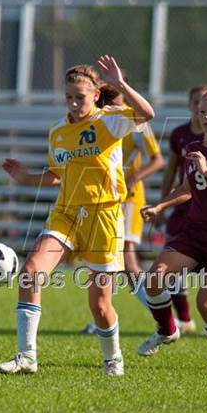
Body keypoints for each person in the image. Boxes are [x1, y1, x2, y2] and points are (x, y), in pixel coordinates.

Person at [0, 55, 155, 376]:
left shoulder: (110, 120)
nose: (73, 103)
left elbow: (148, 114)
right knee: (30, 272)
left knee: (99, 306)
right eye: (68, 97)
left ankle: (113, 359)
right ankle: (27, 357)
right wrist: (26, 177)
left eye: (79, 97)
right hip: (66, 213)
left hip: (104, 217)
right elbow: (57, 175)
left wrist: (120, 83)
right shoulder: (57, 132)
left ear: (95, 95)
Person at [139, 88, 207, 372]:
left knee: (206, 302)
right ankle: (167, 330)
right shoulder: (193, 147)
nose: (206, 117)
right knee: (154, 279)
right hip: (196, 233)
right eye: (202, 112)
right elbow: (187, 188)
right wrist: (160, 206)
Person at [81, 81, 164, 334]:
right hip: (106, 197)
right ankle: (103, 316)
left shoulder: (135, 123)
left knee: (127, 260)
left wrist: (133, 178)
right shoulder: (102, 121)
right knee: (108, 260)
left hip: (128, 197)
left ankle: (163, 317)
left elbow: (158, 160)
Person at [160, 85, 207, 334]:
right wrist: (162, 202)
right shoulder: (180, 135)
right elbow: (172, 170)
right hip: (183, 206)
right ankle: (184, 319)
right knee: (171, 266)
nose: (202, 110)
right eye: (197, 103)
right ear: (191, 106)